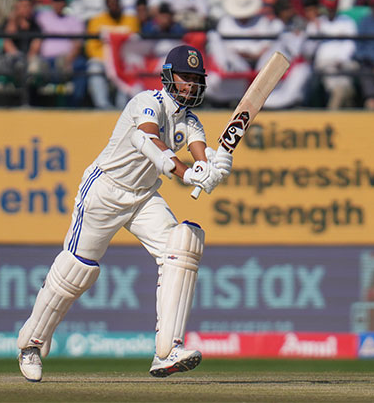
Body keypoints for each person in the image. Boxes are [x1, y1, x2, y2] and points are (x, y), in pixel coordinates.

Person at [17, 45, 233, 382]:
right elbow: (146, 140)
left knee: (183, 244)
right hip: (105, 189)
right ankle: (32, 344)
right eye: (185, 77)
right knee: (77, 270)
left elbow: (199, 157)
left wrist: (212, 170)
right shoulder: (146, 102)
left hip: (143, 197)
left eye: (196, 79)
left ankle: (167, 351)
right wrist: (185, 171)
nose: (191, 84)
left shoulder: (191, 122)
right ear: (168, 76)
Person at [304, 0, 358, 110]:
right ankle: (334, 111)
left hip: (343, 62)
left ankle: (339, 107)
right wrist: (315, 31)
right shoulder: (316, 23)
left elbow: (351, 45)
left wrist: (341, 60)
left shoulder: (347, 22)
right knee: (339, 85)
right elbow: (308, 51)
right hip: (323, 63)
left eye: (331, 7)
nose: (328, 9)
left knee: (344, 80)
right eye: (326, 6)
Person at [86, 0, 140, 109]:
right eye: (109, 1)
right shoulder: (96, 21)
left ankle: (122, 107)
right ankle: (103, 106)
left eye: (115, 1)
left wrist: (117, 62)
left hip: (124, 61)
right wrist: (110, 61)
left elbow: (136, 46)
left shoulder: (131, 20)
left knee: (130, 69)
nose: (113, 4)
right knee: (94, 66)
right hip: (103, 60)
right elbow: (91, 47)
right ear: (106, 3)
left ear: (120, 2)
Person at [36, 0, 86, 107]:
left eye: (60, 1)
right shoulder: (42, 17)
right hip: (46, 60)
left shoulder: (74, 20)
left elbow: (78, 44)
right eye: (55, 1)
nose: (58, 4)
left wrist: (68, 60)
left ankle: (74, 105)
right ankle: (34, 105)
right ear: (51, 3)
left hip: (67, 58)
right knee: (33, 68)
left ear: (65, 3)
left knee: (81, 66)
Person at [0, 0, 42, 99]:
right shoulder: (10, 22)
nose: (26, 9)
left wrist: (25, 59)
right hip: (10, 59)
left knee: (34, 64)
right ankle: (0, 95)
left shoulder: (35, 25)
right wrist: (14, 19)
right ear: (17, 7)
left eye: (28, 6)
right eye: (23, 6)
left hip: (27, 60)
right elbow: (6, 42)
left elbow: (36, 46)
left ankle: (29, 98)